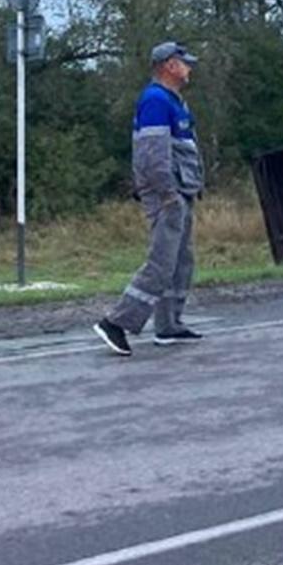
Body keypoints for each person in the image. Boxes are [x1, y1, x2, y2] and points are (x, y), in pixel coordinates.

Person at [93, 41, 206, 355]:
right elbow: (152, 155)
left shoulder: (174, 100)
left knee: (181, 261)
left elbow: (183, 149)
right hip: (167, 195)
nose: (189, 68)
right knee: (161, 263)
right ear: (169, 65)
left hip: (180, 191)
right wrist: (167, 193)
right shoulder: (155, 100)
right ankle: (115, 322)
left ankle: (169, 325)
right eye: (185, 63)